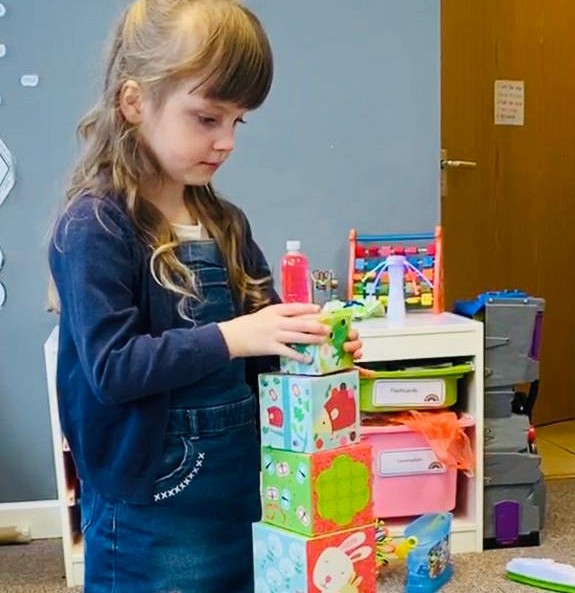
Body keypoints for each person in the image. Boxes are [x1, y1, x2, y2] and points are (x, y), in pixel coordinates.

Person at [48, 1, 363, 592]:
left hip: (239, 478)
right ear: (135, 102)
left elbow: (263, 340)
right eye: (206, 118)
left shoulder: (225, 221)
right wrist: (233, 336)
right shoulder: (95, 225)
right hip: (151, 495)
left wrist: (312, 342)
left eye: (237, 122)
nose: (226, 142)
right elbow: (113, 369)